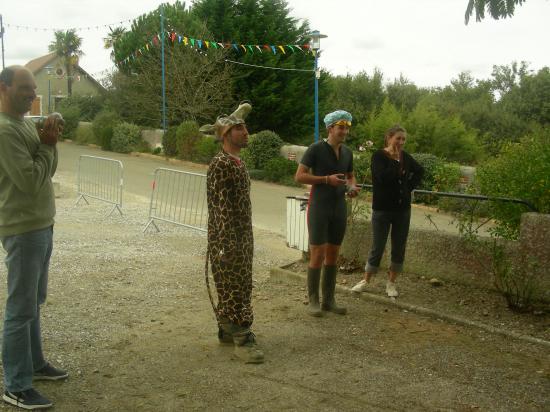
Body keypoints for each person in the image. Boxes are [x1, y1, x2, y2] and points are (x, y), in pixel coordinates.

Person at [0, 66, 68, 410]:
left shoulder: (24, 124)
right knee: (20, 308)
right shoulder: (4, 131)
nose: (32, 93)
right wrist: (47, 146)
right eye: (25, 88)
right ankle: (15, 385)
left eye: (34, 88)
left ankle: (36, 364)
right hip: (23, 228)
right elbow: (29, 181)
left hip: (41, 224)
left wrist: (49, 135)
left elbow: (46, 170)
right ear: (4, 88)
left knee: (33, 303)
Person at [202, 102, 264, 364]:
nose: (246, 132)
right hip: (228, 240)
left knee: (239, 285)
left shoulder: (237, 162)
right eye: (240, 128)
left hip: (242, 238)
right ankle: (241, 336)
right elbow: (219, 208)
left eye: (245, 127)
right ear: (226, 134)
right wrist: (225, 245)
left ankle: (228, 327)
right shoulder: (221, 164)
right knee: (233, 285)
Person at [295, 110, 360, 317]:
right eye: (341, 127)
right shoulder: (315, 149)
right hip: (319, 207)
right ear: (330, 128)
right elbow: (299, 176)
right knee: (318, 254)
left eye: (347, 128)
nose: (345, 132)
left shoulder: (347, 152)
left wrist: (352, 187)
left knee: (333, 254)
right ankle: (313, 300)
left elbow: (350, 176)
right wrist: (325, 180)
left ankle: (329, 300)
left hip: (339, 207)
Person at [351, 125, 424, 297]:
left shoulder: (405, 157)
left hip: (402, 210)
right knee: (378, 246)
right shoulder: (378, 156)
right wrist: (393, 160)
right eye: (398, 138)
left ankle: (391, 283)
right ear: (389, 138)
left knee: (399, 246)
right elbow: (382, 178)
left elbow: (420, 171)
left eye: (403, 139)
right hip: (382, 210)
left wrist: (409, 187)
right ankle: (366, 280)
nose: (401, 142)